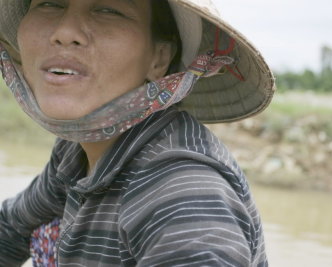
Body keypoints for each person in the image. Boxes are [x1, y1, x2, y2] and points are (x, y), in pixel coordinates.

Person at [0, 0, 275, 266]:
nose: (65, 33)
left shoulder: (182, 188)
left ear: (159, 59)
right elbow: (11, 230)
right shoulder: (73, 153)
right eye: (50, 3)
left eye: (108, 9)